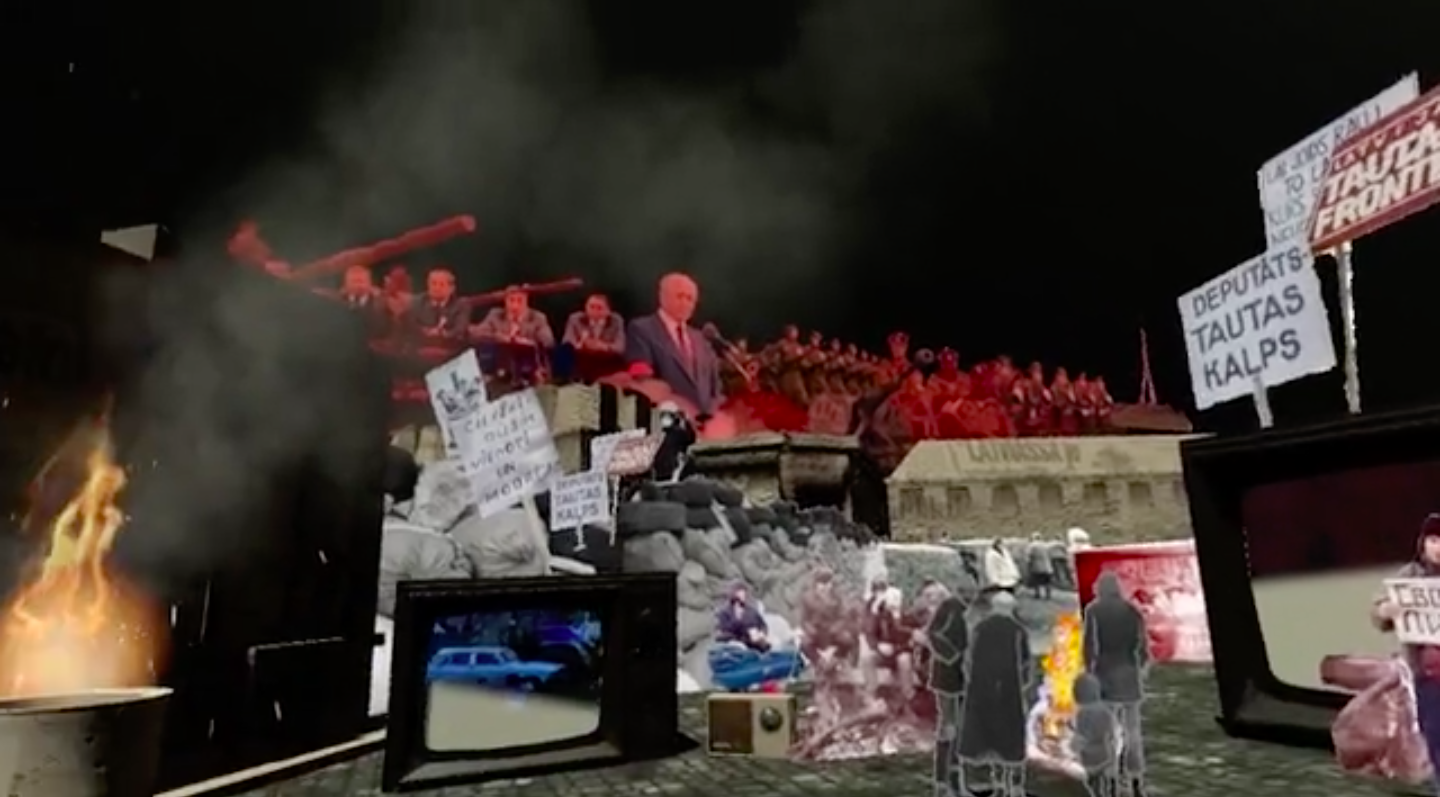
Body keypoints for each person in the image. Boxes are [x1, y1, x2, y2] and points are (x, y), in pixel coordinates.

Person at [1373, 513, 1440, 796]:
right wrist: (1385, 611)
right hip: (1428, 677)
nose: (1438, 547)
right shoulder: (1409, 576)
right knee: (1435, 736)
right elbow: (1378, 612)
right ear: (1423, 543)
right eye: (1434, 540)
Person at [1083, 571, 1151, 797]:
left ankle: (1111, 780)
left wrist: (1089, 672)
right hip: (1129, 674)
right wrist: (1139, 668)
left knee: (1109, 732)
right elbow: (1143, 647)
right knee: (1133, 732)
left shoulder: (1093, 610)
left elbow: (1089, 646)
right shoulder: (1132, 611)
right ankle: (1136, 780)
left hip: (1105, 674)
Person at [958, 591, 1031, 797]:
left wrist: (971, 682)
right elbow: (1025, 664)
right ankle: (1012, 784)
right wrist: (1023, 686)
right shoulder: (1018, 631)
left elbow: (968, 659)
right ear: (1011, 608)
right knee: (1010, 736)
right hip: (1009, 692)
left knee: (979, 733)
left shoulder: (979, 628)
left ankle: (978, 781)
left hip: (980, 691)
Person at [625, 272, 722, 419]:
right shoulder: (642, 329)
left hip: (706, 424)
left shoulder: (700, 338)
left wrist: (711, 415)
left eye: (690, 299)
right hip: (665, 421)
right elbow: (642, 380)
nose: (685, 303)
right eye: (679, 296)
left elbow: (716, 389)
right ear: (662, 297)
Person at [926, 585, 971, 797]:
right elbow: (933, 633)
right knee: (948, 726)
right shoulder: (949, 607)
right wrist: (952, 656)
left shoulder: (978, 609)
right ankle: (942, 782)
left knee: (962, 730)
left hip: (968, 677)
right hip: (947, 675)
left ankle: (956, 778)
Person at [1069, 672, 1119, 797]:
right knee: (1102, 785)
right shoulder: (1106, 710)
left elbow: (1081, 738)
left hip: (1088, 759)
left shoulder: (1082, 713)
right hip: (1105, 755)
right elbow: (1111, 735)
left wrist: (1071, 750)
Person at [472, 286, 556, 347]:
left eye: (520, 301)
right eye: (511, 300)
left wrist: (528, 343)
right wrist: (499, 337)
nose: (515, 306)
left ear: (526, 301)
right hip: (500, 360)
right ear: (505, 301)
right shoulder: (495, 314)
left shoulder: (538, 317)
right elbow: (478, 334)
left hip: (528, 361)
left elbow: (549, 342)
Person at [413, 268, 469, 342]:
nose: (437, 288)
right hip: (421, 343)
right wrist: (426, 331)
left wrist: (442, 334)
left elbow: (460, 329)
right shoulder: (418, 302)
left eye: (442, 284)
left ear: (452, 289)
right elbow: (411, 325)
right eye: (433, 283)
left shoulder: (461, 305)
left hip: (450, 344)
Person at [715, 584, 770, 653]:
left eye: (743, 595)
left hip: (755, 641)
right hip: (736, 642)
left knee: (767, 647)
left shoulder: (751, 611)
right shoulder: (725, 612)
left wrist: (761, 633)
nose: (741, 598)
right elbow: (723, 632)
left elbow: (763, 625)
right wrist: (738, 619)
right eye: (739, 596)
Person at [1026, 532, 1056, 601]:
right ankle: (1048, 595)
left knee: (1036, 581)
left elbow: (1028, 556)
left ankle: (1037, 594)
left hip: (1036, 566)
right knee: (1047, 581)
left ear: (1033, 538)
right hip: (1047, 566)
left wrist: (1029, 564)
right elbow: (1050, 555)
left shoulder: (1031, 545)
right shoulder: (1046, 545)